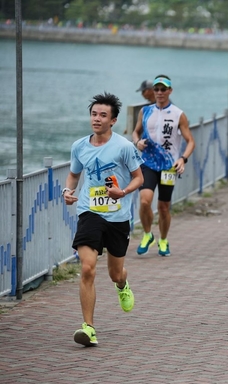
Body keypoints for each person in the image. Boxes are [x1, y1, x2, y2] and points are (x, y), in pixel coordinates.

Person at [63, 92, 143, 346]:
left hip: (118, 215)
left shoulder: (124, 147)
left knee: (115, 273)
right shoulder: (79, 146)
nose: (96, 119)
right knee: (87, 267)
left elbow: (139, 178)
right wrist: (67, 190)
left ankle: (122, 284)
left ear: (113, 120)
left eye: (103, 115)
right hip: (90, 211)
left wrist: (123, 192)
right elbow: (74, 174)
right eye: (94, 114)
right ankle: (88, 328)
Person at [132, 75, 196, 257]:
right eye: (156, 89)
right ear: (153, 91)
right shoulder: (145, 111)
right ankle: (147, 235)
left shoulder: (178, 114)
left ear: (170, 91)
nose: (159, 92)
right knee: (145, 201)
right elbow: (136, 132)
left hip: (169, 166)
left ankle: (163, 239)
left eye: (163, 89)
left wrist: (182, 159)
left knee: (164, 207)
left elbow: (191, 141)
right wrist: (137, 142)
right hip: (148, 163)